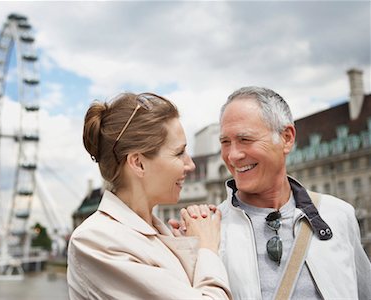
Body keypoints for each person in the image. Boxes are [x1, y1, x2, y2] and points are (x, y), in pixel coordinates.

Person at [67, 92, 231, 299]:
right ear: (138, 163)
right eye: (179, 153)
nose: (191, 164)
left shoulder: (159, 234)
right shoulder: (96, 241)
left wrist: (192, 247)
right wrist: (208, 247)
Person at [216, 86, 371, 299]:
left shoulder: (338, 215)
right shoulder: (210, 230)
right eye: (225, 142)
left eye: (245, 139)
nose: (232, 155)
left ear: (286, 138)